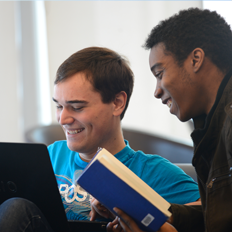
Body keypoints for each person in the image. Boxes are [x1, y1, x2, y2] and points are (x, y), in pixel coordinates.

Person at [0, 47, 200, 232]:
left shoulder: (153, 172)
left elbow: (212, 213)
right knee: (15, 207)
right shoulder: (49, 157)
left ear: (117, 103)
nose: (63, 119)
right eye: (59, 106)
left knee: (16, 208)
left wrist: (139, 211)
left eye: (77, 107)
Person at [107, 7, 232, 232]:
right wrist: (162, 215)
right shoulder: (210, 125)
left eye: (160, 74)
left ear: (196, 59)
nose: (156, 91)